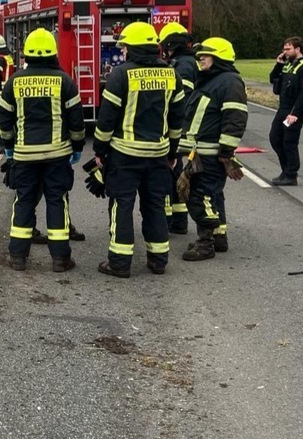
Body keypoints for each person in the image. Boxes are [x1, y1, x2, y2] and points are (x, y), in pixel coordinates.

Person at [92, 22, 185, 278]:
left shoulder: (121, 74)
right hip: (158, 155)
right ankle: (158, 261)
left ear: (131, 48)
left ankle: (119, 264)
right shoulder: (171, 74)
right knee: (155, 205)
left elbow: (106, 119)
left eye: (124, 47)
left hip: (125, 155)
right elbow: (177, 119)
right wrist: (172, 153)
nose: (123, 52)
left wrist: (99, 149)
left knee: (122, 206)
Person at [0, 28, 86, 272]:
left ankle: (17, 257)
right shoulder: (64, 81)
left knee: (24, 201)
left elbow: (3, 117)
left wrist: (9, 147)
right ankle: (60, 259)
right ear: (53, 53)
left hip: (24, 156)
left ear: (26, 54)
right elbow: (76, 120)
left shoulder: (15, 81)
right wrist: (77, 147)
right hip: (57, 155)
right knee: (57, 202)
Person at [178, 38, 248, 261]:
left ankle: (205, 243)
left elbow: (235, 117)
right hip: (201, 152)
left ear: (219, 57)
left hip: (210, 153)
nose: (200, 59)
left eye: (205, 56)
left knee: (200, 196)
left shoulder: (229, 82)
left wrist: (226, 152)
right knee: (213, 195)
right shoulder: (211, 80)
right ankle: (219, 237)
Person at [158, 22, 198, 235]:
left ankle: (171, 220)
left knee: (170, 173)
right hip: (187, 127)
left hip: (181, 127)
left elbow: (182, 99)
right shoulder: (188, 62)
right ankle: (179, 220)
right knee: (176, 172)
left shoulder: (182, 65)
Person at [268, 35, 303, 186]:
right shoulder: (287, 65)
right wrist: (278, 65)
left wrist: (294, 114)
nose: (285, 52)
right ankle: (286, 170)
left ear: (297, 49)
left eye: (288, 49)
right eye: (284, 49)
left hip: (295, 110)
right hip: (283, 108)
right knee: (275, 138)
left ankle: (291, 174)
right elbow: (272, 79)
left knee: (289, 141)